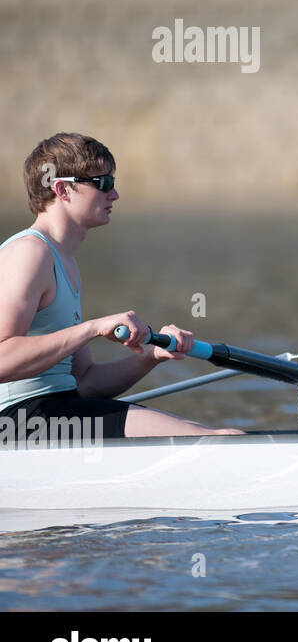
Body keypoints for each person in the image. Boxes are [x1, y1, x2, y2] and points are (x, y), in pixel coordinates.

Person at [0, 133, 242, 440]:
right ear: (61, 189)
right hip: (16, 421)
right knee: (219, 439)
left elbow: (85, 382)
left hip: (56, 410)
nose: (113, 194)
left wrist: (150, 356)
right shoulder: (29, 253)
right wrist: (92, 328)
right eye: (101, 183)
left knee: (216, 435)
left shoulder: (66, 262)